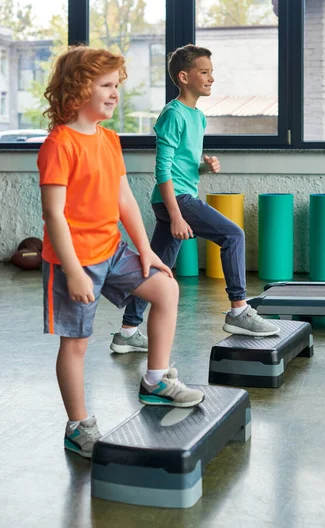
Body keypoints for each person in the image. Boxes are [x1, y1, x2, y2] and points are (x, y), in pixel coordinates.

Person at [37, 45, 204, 459]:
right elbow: (54, 216)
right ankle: (78, 426)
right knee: (76, 343)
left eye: (117, 86)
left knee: (165, 288)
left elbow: (125, 200)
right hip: (73, 259)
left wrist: (146, 250)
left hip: (112, 249)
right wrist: (74, 271)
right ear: (77, 90)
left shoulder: (108, 139)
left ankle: (156, 381)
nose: (115, 94)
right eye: (106, 86)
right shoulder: (60, 145)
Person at [110, 44, 280, 356]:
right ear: (184, 76)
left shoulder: (197, 117)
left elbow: (180, 165)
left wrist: (204, 166)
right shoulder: (173, 114)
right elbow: (162, 169)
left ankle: (128, 331)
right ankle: (239, 310)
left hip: (177, 198)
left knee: (158, 268)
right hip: (176, 200)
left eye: (212, 72)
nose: (211, 78)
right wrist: (176, 215)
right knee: (233, 235)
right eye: (205, 72)